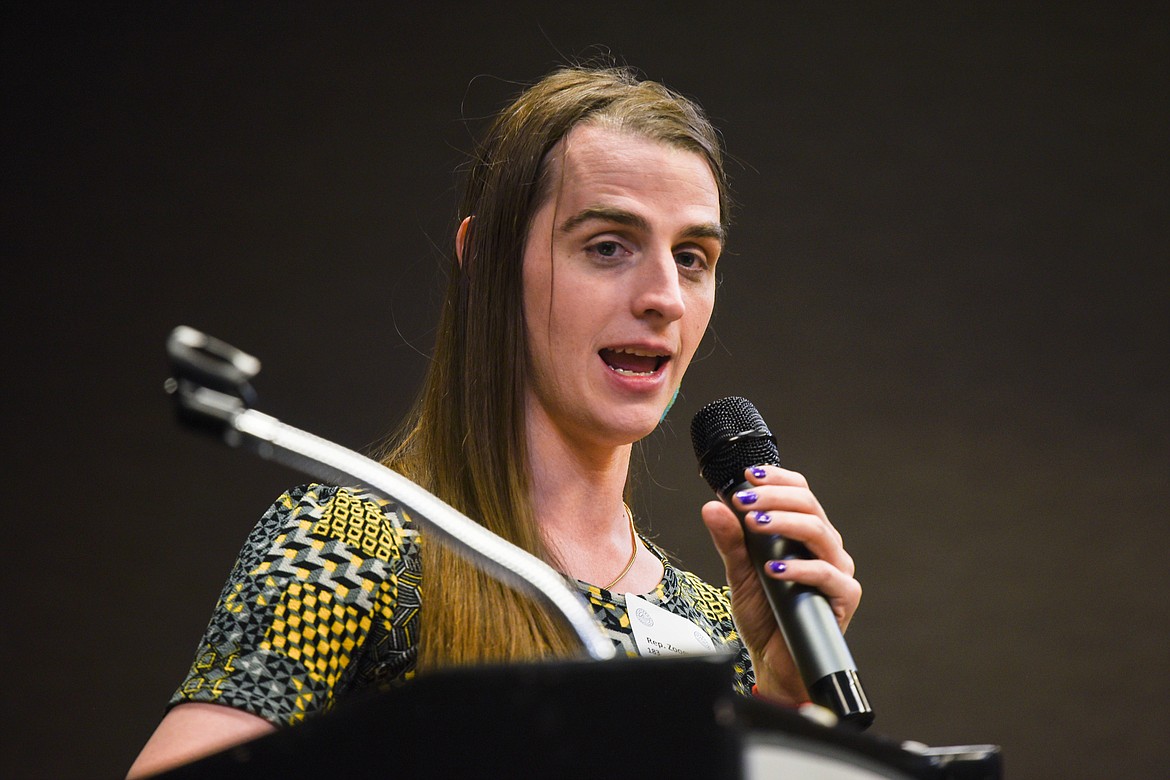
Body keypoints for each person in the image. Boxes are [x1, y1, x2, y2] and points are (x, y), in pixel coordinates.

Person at [127, 65, 861, 777]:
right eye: (608, 246)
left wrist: (786, 699)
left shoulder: (710, 624)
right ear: (486, 260)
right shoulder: (355, 544)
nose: (664, 296)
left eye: (693, 257)